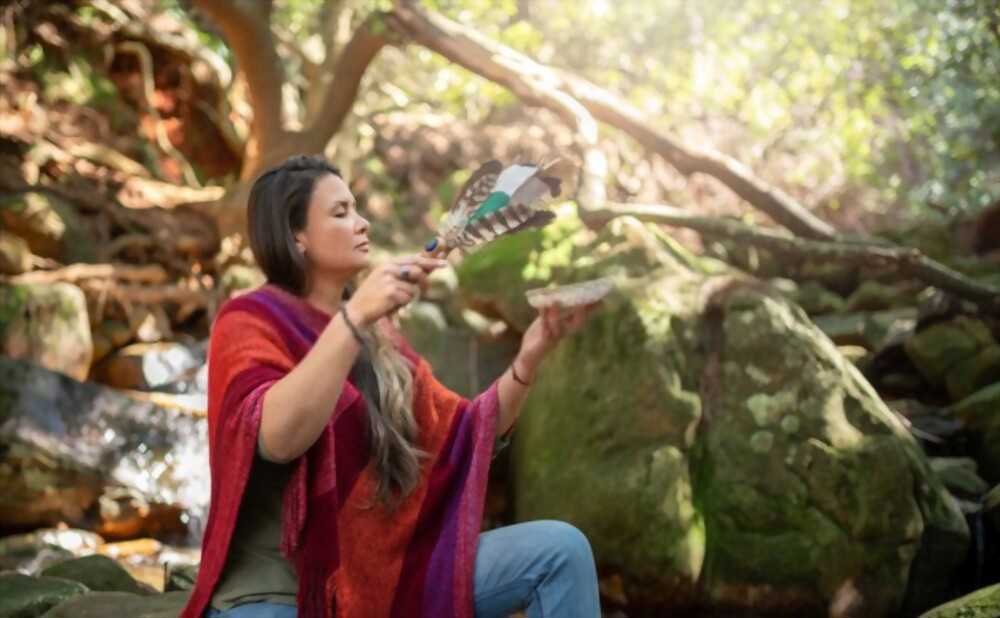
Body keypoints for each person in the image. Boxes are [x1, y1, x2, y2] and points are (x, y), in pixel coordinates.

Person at [179, 155, 602, 618]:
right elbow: (278, 438)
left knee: (561, 550)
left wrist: (529, 357)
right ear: (295, 235)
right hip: (275, 597)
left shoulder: (379, 336)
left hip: (382, 574)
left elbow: (466, 433)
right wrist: (354, 318)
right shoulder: (248, 320)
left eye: (357, 208)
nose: (361, 224)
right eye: (340, 213)